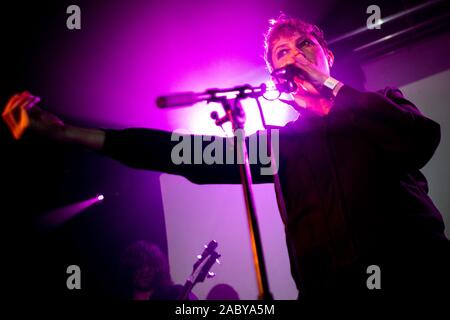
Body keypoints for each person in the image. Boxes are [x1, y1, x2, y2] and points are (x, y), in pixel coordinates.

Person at [3, 14, 450, 302]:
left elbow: (420, 139)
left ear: (327, 56)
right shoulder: (281, 146)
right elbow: (182, 155)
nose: (294, 56)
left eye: (304, 46)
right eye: (282, 53)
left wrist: (330, 88)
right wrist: (70, 135)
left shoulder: (379, 106)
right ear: (275, 77)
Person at [119, 240, 196, 300]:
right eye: (140, 265)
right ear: (130, 268)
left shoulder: (176, 293)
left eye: (150, 264)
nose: (145, 270)